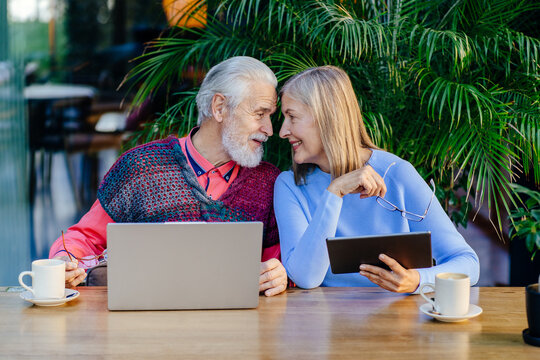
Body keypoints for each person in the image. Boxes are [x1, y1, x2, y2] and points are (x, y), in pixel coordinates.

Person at [49, 56, 288, 297]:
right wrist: (64, 263)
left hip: (237, 327)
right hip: (147, 325)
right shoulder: (141, 167)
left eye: (270, 116)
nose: (269, 129)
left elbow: (274, 266)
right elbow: (85, 238)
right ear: (219, 108)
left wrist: (279, 276)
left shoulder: (267, 182)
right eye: (260, 114)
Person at [274, 65, 480, 293]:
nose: (282, 131)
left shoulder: (397, 173)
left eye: (292, 117)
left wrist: (418, 280)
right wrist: (334, 193)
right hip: (327, 323)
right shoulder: (289, 186)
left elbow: (467, 263)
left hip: (401, 322)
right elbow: (305, 277)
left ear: (326, 117)